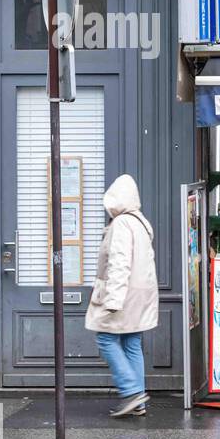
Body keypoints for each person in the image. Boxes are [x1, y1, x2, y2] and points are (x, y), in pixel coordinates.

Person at [85, 174, 159, 418]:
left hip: (123, 295)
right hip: (140, 296)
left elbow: (119, 263)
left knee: (106, 338)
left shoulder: (121, 225)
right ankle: (138, 401)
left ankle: (131, 391)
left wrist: (113, 300)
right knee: (131, 342)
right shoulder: (141, 223)